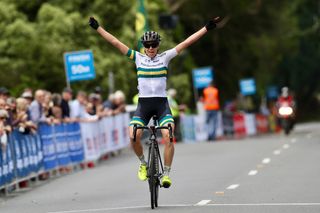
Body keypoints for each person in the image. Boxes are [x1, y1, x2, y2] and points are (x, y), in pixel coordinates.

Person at [89, 16, 222, 188]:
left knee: (168, 136)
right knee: (133, 136)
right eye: (147, 45)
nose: (150, 48)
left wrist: (206, 28)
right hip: (144, 105)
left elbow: (187, 42)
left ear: (158, 45)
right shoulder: (137, 58)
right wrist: (98, 28)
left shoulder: (165, 57)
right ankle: (143, 163)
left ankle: (166, 173)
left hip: (161, 105)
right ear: (143, 46)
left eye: (153, 45)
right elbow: (115, 42)